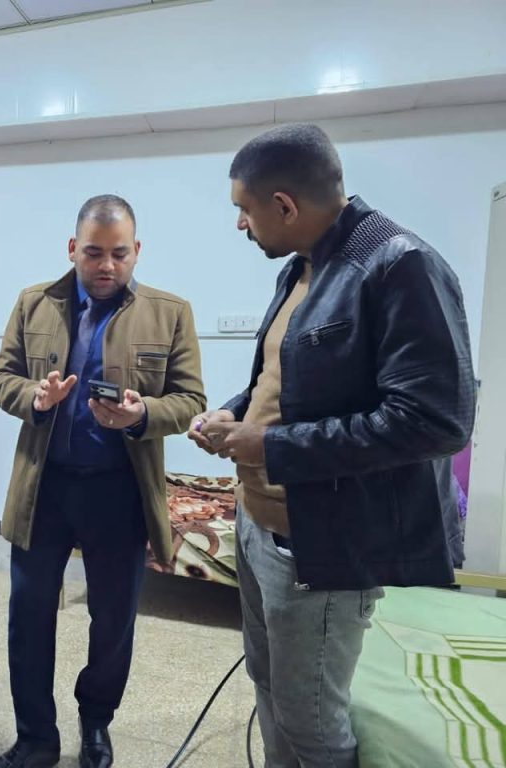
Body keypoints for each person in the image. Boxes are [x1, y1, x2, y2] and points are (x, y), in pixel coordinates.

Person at [189, 124, 476, 767]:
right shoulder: (301, 266)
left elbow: (434, 421)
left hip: (322, 541)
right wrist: (233, 413)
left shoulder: (400, 265)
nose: (240, 223)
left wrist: (269, 445)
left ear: (284, 205)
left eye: (244, 208)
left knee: (312, 720)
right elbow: (282, 380)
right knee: (269, 688)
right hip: (258, 524)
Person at [0, 194, 206, 768]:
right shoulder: (34, 303)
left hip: (119, 491)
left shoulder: (170, 312)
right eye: (93, 253)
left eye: (119, 253)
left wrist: (141, 414)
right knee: (29, 615)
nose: (106, 265)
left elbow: (190, 400)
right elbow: (1, 377)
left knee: (112, 620)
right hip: (44, 488)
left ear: (137, 251)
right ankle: (36, 738)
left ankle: (96, 721)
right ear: (72, 249)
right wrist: (34, 398)